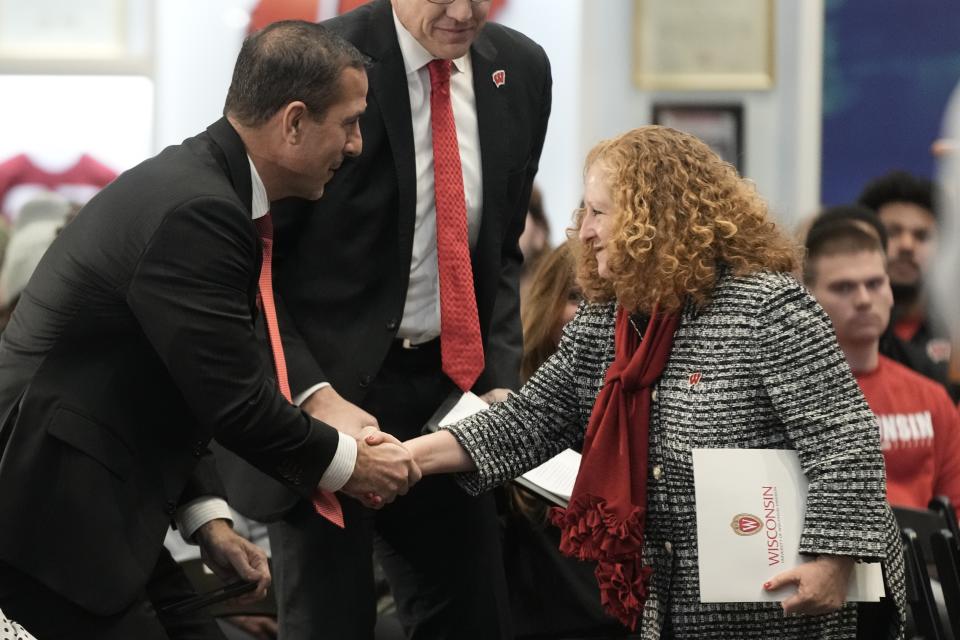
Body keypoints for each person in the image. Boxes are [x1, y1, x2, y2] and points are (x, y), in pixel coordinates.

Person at [399, 126, 907, 639]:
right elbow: (530, 420)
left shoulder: (767, 308)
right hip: (675, 603)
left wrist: (834, 562)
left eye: (599, 212)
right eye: (583, 212)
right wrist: (409, 458)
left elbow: (845, 442)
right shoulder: (610, 320)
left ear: (653, 219)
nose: (584, 230)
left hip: (789, 606)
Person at [0, 21, 419, 640]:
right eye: (349, 122)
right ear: (295, 122)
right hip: (50, 511)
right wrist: (350, 466)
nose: (357, 145)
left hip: (98, 500)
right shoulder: (201, 210)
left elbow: (176, 378)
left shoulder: (200, 185)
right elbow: (235, 402)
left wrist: (208, 522)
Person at [215, 1, 552, 638]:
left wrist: (498, 379)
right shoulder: (315, 61)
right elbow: (252, 265)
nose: (464, 11)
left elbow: (503, 253)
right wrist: (313, 398)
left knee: (472, 620)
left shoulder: (522, 69)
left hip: (453, 399)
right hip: (327, 406)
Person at [803, 206, 960, 511]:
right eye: (843, 287)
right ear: (809, 296)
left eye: (874, 283)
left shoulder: (932, 398)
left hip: (925, 556)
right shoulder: (789, 398)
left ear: (889, 289)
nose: (863, 299)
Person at [858, 170, 957, 398]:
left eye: (921, 236)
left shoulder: (955, 329)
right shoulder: (842, 332)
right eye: (893, 232)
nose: (906, 245)